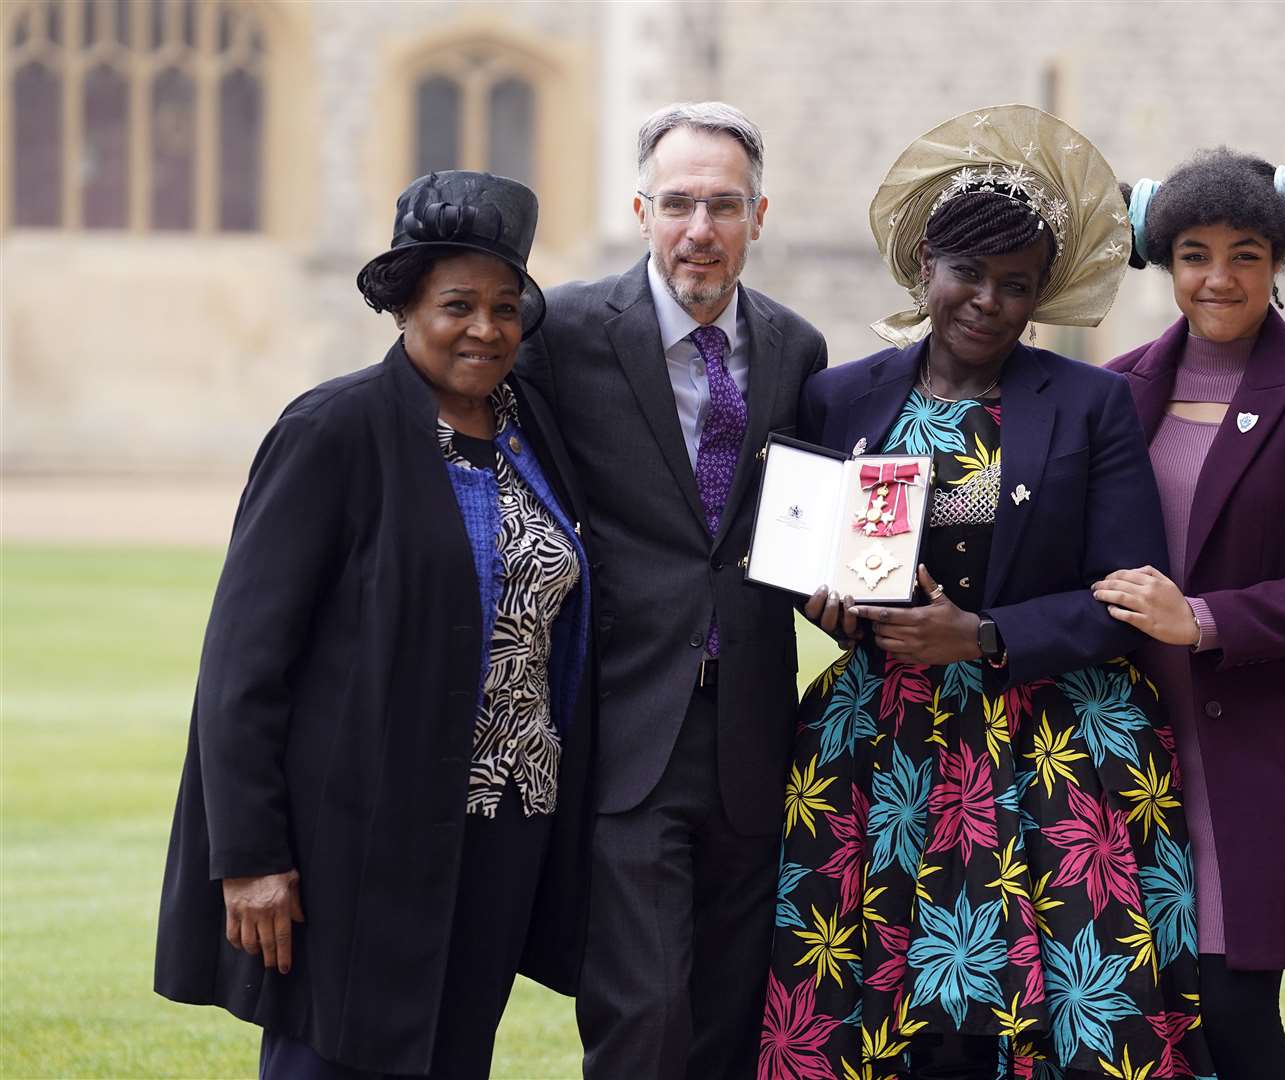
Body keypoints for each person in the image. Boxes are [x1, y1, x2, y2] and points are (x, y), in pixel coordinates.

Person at [763, 105, 1214, 1080]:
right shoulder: (841, 397)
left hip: (1049, 744)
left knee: (1042, 1018)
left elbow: (1129, 595)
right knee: (882, 1007)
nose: (988, 303)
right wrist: (823, 604)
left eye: (1017, 286)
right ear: (923, 263)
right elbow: (807, 551)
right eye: (968, 274)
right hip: (879, 752)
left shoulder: (1089, 404)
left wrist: (983, 635)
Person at [154, 171, 595, 1079]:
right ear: (404, 308)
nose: (485, 328)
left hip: (505, 824)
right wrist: (250, 858)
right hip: (357, 832)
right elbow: (243, 664)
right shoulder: (333, 430)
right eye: (458, 305)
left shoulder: (533, 431)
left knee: (451, 1058)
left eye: (505, 307)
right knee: (334, 1057)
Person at [510, 102, 828, 1078]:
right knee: (643, 1016)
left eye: (723, 205)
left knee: (730, 1016)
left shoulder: (797, 351)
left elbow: (797, 535)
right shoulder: (558, 332)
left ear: (759, 216)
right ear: (642, 209)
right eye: (680, 203)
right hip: (625, 727)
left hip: (750, 735)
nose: (701, 229)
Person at [1095, 149, 1285, 1079]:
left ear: (1279, 263)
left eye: (1245, 255)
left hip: (1257, 751)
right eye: (1194, 254)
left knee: (1233, 1014)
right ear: (1165, 262)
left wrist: (1205, 619)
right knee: (1151, 1022)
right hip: (1126, 750)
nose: (1218, 278)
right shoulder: (1116, 387)